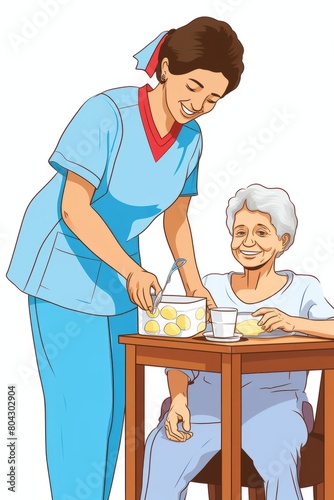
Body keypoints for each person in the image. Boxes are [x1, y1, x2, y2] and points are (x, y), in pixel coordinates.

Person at [6, 17, 244, 500]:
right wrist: (131, 268)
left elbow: (176, 221)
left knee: (121, 409)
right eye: (194, 86)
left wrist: (194, 285)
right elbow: (74, 206)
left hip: (123, 277)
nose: (198, 104)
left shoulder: (190, 139)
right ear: (168, 67)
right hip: (62, 264)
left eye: (212, 99)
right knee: (83, 408)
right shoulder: (107, 113)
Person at [140, 184, 334, 500]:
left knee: (278, 455)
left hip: (273, 409)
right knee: (161, 449)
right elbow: (183, 356)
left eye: (261, 233)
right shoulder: (210, 287)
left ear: (282, 241)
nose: (248, 242)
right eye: (240, 232)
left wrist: (291, 323)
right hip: (205, 408)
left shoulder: (303, 290)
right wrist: (178, 399)